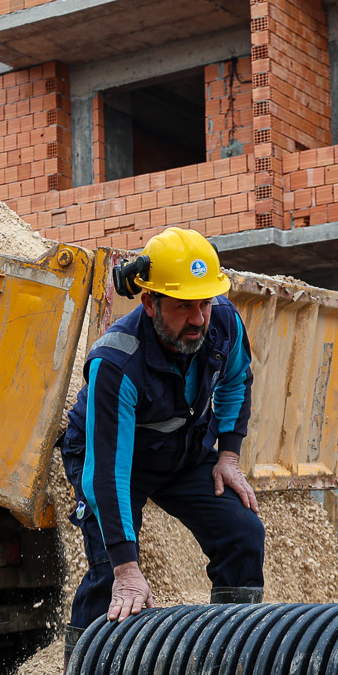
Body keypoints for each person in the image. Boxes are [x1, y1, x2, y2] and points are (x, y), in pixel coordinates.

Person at [59, 227, 264, 647]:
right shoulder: (115, 362)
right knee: (111, 575)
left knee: (243, 534)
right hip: (113, 459)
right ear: (150, 302)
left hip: (181, 451)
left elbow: (236, 381)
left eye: (204, 303)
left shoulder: (223, 321)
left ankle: (232, 660)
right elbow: (107, 472)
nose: (199, 318)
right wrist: (126, 566)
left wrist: (228, 456)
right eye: (183, 306)